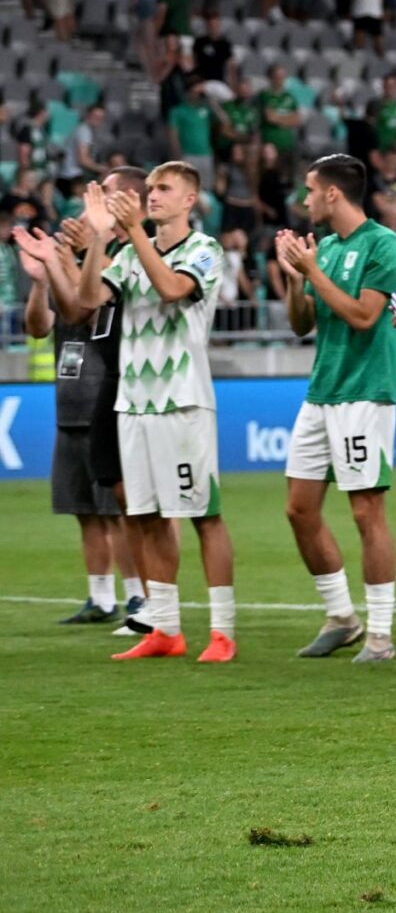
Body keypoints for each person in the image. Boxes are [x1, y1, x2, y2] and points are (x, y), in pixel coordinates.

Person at [55, 167, 234, 659]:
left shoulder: (205, 249)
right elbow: (88, 300)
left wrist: (132, 231)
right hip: (132, 403)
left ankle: (223, 630)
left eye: (163, 190)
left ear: (190, 199)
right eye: (149, 189)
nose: (151, 197)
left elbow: (174, 289)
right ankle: (167, 629)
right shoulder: (129, 253)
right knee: (146, 515)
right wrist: (96, 240)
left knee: (204, 515)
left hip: (183, 400)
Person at [275, 155, 396, 664]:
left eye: (310, 190)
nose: (304, 199)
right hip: (321, 391)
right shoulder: (324, 248)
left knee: (366, 511)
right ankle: (341, 618)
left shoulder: (384, 244)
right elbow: (301, 324)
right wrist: (294, 279)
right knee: (298, 509)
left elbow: (363, 316)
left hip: (363, 394)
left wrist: (312, 271)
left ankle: (381, 634)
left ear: (333, 193)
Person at [18, 212, 136, 627]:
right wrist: (39, 281)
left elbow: (87, 310)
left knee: (115, 512)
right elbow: (37, 328)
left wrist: (71, 260)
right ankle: (101, 599)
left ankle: (138, 597)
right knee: (83, 509)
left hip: (104, 404)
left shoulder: (107, 275)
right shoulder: (60, 278)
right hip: (67, 410)